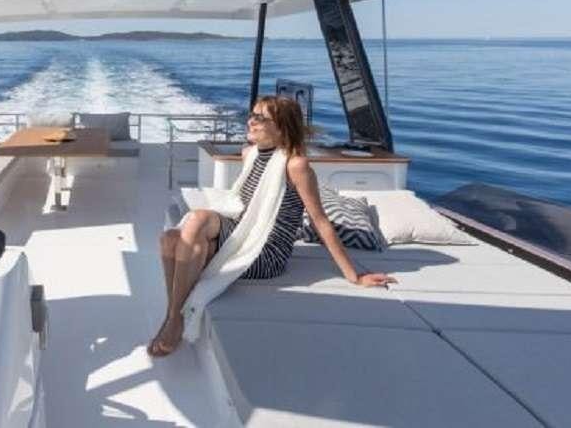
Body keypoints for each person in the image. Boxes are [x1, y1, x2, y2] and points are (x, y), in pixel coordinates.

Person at [147, 95, 396, 357]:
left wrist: (354, 276)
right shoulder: (250, 154)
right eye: (252, 115)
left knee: (197, 220)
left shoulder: (295, 165)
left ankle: (174, 318)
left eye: (261, 118)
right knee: (169, 240)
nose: (251, 121)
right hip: (240, 234)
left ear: (281, 127)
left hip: (264, 251)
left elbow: (320, 221)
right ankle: (172, 314)